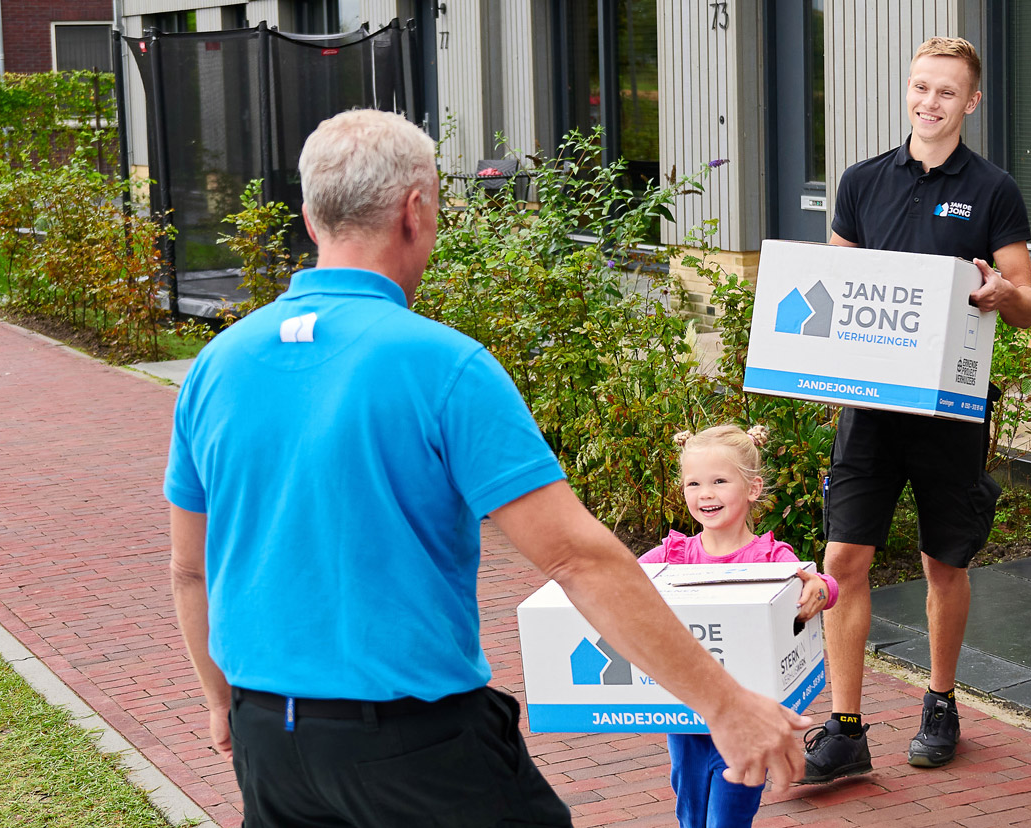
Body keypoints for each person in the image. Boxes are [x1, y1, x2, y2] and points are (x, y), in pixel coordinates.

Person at [164, 109, 809, 828]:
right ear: (416, 211)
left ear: (314, 220)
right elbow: (576, 557)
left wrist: (221, 700)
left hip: (269, 744)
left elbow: (190, 570)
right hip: (415, 748)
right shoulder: (442, 365)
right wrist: (723, 704)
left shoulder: (215, 366)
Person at [802, 36, 1031, 784]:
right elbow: (832, 282)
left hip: (949, 409)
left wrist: (1004, 296)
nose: (928, 102)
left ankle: (940, 703)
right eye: (919, 87)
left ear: (970, 103)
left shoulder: (994, 188)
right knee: (843, 561)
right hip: (868, 410)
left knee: (945, 562)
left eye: (946, 92)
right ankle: (845, 729)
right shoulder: (863, 181)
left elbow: (1027, 300)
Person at [637, 425, 834, 828]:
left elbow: (820, 584)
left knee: (728, 816)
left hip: (749, 716)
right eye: (693, 483)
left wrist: (819, 587)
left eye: (719, 481)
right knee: (690, 812)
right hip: (687, 717)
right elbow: (622, 583)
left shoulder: (771, 557)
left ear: (752, 488)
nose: (705, 493)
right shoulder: (672, 554)